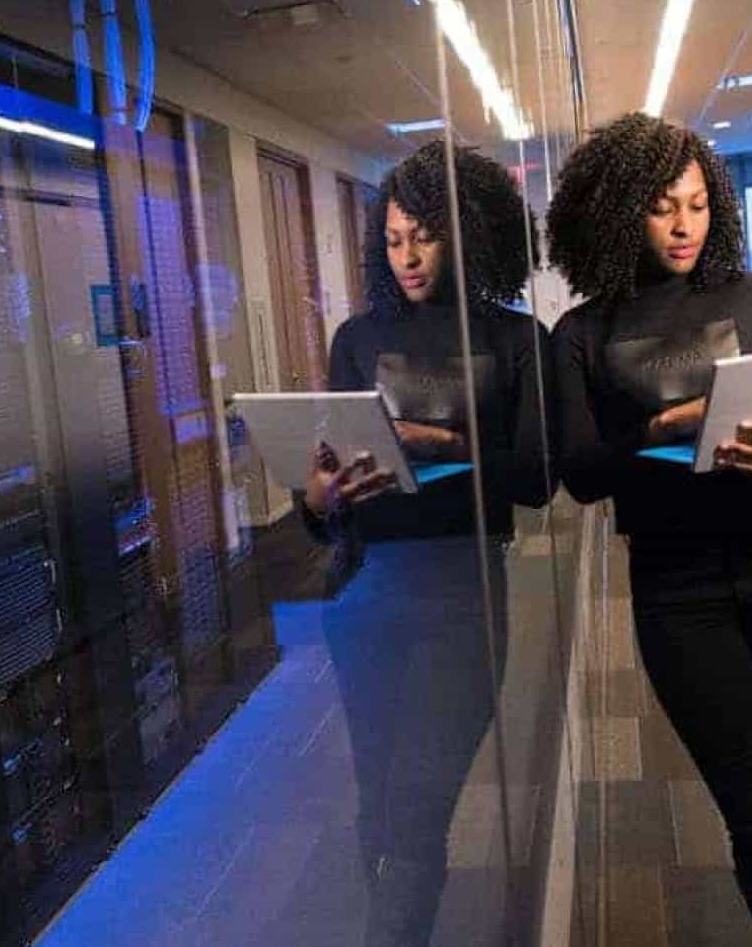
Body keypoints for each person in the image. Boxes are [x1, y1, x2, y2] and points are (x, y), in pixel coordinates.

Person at [544, 113, 752, 946]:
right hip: (679, 592)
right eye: (662, 207)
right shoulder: (582, 333)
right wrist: (660, 430)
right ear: (613, 213)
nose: (684, 226)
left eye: (699, 204)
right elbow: (579, 472)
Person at [298, 140, 550, 946]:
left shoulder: (515, 341)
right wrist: (318, 498)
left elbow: (538, 478)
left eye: (426, 237)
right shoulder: (356, 339)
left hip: (463, 596)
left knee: (417, 809)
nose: (407, 257)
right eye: (396, 239)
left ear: (466, 234)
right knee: (380, 799)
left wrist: (431, 440)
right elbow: (328, 492)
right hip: (366, 594)